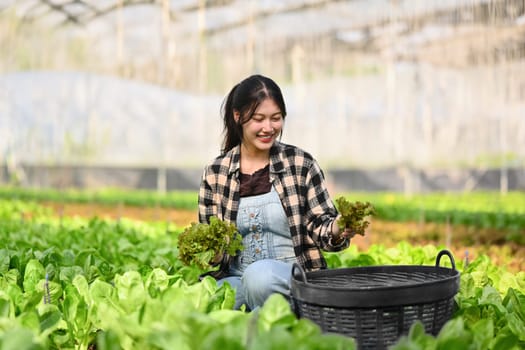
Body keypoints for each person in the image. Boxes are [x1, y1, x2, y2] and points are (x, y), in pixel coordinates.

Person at [198, 74, 355, 311]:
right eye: (258, 119)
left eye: (276, 118)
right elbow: (211, 242)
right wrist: (214, 253)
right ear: (237, 116)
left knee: (259, 278)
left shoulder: (300, 164)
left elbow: (320, 226)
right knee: (213, 296)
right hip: (237, 275)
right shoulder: (215, 173)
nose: (268, 128)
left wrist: (337, 228)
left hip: (287, 276)